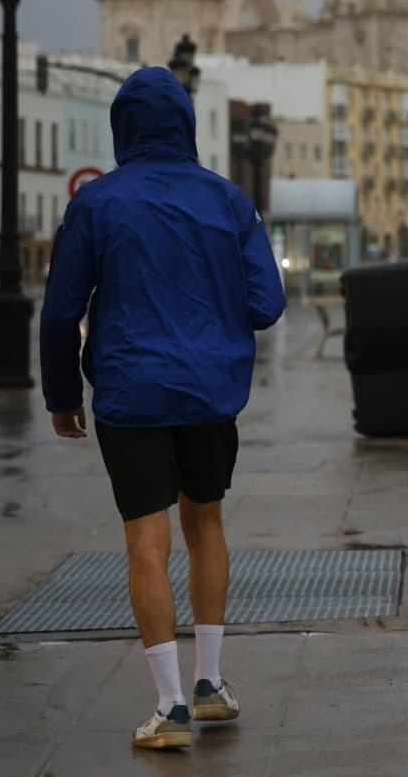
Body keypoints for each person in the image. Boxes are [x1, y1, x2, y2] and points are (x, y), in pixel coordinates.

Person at [40, 66, 286, 751]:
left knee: (146, 543)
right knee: (205, 523)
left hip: (131, 391)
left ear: (123, 128)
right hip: (210, 392)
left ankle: (170, 706)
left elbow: (61, 312)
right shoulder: (229, 200)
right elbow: (267, 304)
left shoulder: (97, 203)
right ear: (186, 124)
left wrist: (62, 396)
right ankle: (211, 685)